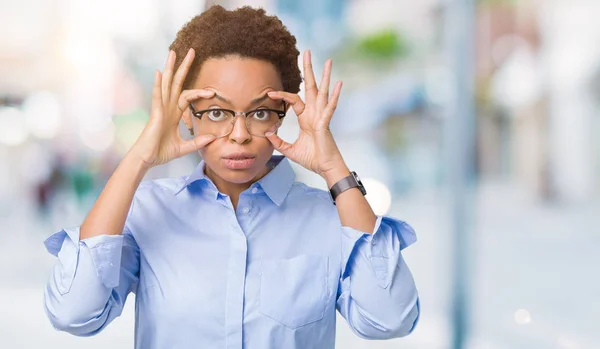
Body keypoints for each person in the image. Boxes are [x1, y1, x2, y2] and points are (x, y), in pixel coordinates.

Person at [43, 5, 420, 349]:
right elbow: (74, 313)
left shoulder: (329, 219)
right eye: (218, 112)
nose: (239, 134)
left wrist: (333, 168)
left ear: (282, 113)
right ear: (188, 114)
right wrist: (139, 157)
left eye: (259, 113)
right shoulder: (148, 212)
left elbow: (390, 320)